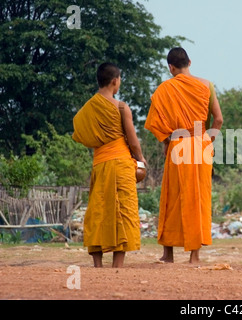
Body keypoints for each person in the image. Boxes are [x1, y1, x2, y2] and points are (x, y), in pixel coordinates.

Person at [144, 47, 223, 264]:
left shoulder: (165, 89)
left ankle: (168, 254)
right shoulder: (207, 85)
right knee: (197, 198)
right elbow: (218, 120)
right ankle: (194, 255)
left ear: (171, 67)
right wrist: (207, 142)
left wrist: (168, 142)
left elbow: (157, 125)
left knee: (172, 197)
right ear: (190, 61)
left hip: (177, 145)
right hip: (201, 144)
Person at [72, 62, 146, 268]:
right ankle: (118, 265)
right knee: (122, 211)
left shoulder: (88, 108)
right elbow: (132, 140)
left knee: (98, 211)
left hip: (100, 164)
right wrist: (140, 159)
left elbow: (79, 131)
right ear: (115, 81)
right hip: (121, 163)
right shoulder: (121, 107)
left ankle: (97, 264)